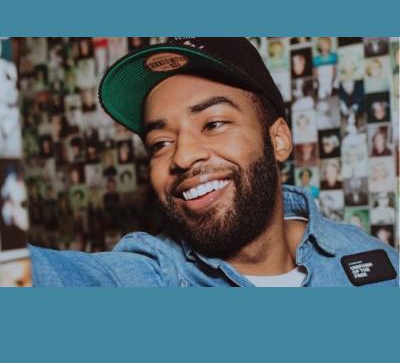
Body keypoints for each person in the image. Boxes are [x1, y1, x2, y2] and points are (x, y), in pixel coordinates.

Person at [29, 38, 398, 287]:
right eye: (160, 143)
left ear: (279, 140)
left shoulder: (374, 262)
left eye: (213, 124)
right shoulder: (155, 275)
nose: (182, 156)